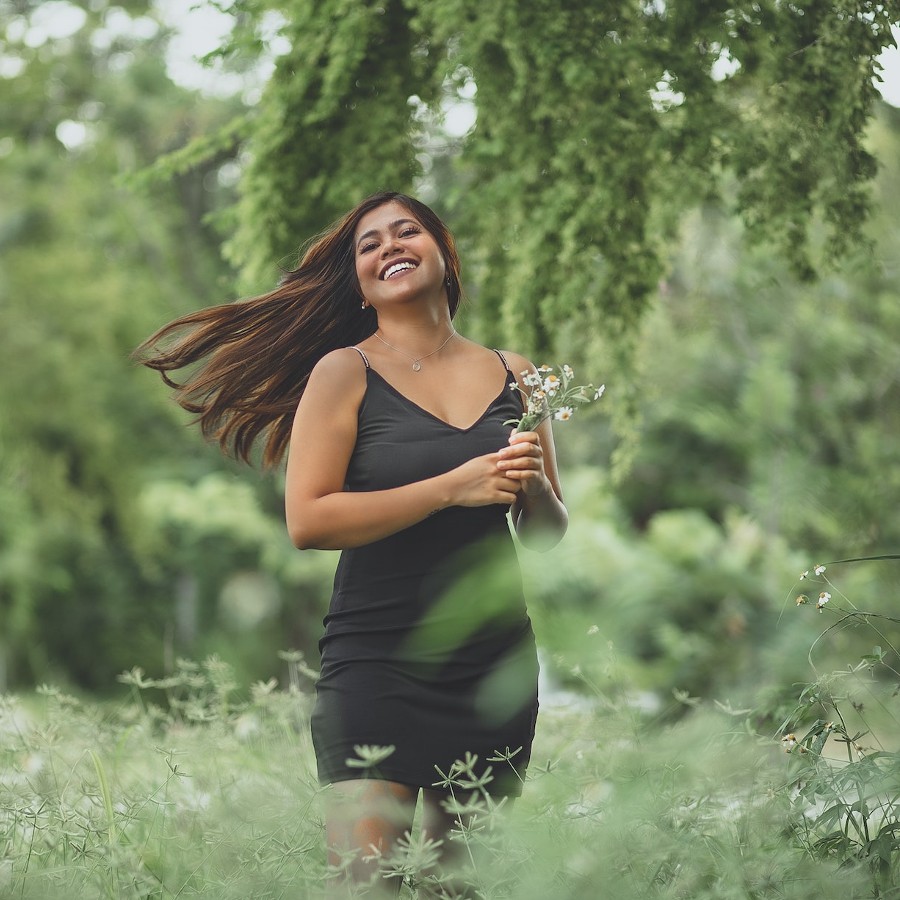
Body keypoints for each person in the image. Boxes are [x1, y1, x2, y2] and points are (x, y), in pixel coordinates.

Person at [136, 191, 567, 895]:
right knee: (368, 885)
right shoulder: (344, 372)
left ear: (443, 252)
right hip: (377, 663)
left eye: (407, 232)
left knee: (453, 889)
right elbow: (308, 521)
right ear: (361, 284)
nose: (390, 247)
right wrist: (450, 487)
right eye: (370, 244)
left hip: (492, 668)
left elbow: (547, 535)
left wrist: (534, 490)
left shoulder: (519, 373)